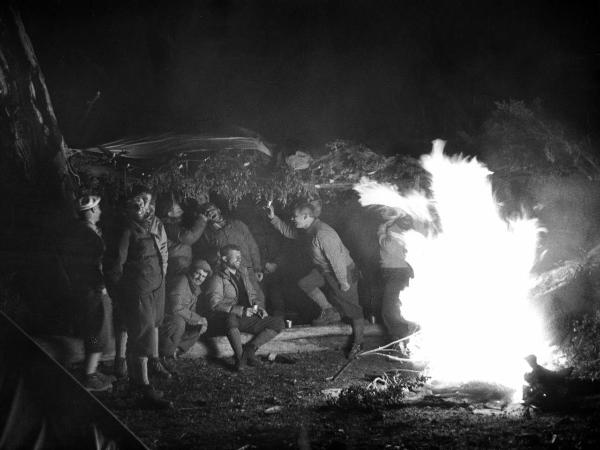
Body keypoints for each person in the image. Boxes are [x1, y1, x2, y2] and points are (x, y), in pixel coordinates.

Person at [267, 202, 365, 358]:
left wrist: (343, 282)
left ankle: (358, 343)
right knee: (305, 283)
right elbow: (290, 232)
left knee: (353, 309)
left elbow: (337, 259)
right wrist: (274, 218)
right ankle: (329, 310)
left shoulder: (323, 234)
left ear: (306, 216)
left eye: (295, 216)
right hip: (325, 270)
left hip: (342, 271)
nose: (292, 219)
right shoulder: (308, 229)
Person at [106, 187, 172, 409]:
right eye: (139, 203)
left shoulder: (152, 226)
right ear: (130, 207)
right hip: (138, 289)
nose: (144, 207)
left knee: (151, 328)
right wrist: (118, 292)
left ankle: (142, 380)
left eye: (147, 203)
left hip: (155, 286)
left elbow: (161, 252)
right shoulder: (127, 231)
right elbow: (116, 265)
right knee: (142, 335)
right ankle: (142, 386)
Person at [61, 195, 114, 391]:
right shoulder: (89, 236)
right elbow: (94, 265)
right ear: (91, 211)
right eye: (98, 208)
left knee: (95, 330)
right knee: (97, 331)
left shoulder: (79, 232)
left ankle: (91, 369)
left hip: (86, 289)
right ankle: (89, 375)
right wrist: (101, 285)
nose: (100, 211)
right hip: (93, 290)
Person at [205, 244, 284, 371]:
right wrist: (240, 310)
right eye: (235, 257)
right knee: (231, 318)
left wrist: (258, 308)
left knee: (278, 323)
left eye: (240, 256)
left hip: (245, 317)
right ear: (225, 259)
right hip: (226, 320)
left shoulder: (243, 274)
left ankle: (250, 349)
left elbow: (253, 295)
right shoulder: (217, 278)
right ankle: (240, 358)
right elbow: (214, 304)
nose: (239, 259)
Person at [195, 203, 265, 303]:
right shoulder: (206, 234)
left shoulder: (238, 224)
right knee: (236, 301)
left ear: (218, 210)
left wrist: (257, 267)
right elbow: (205, 256)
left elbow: (252, 246)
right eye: (207, 213)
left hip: (247, 269)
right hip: (228, 275)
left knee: (258, 298)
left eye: (212, 209)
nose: (210, 213)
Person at [158, 259, 211, 371]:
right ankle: (164, 355)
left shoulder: (195, 288)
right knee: (179, 322)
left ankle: (175, 350)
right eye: (197, 273)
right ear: (192, 271)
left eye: (203, 276)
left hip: (178, 319)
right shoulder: (182, 281)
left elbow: (191, 311)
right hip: (166, 318)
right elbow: (174, 307)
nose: (199, 278)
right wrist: (197, 318)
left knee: (200, 326)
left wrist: (200, 321)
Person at [377, 214, 415, 347]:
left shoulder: (396, 230)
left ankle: (402, 340)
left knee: (390, 309)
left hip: (399, 272)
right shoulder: (393, 227)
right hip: (392, 271)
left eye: (408, 219)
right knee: (393, 307)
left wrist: (381, 232)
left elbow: (389, 247)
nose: (407, 221)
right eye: (405, 218)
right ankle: (402, 341)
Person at [156, 194, 207, 280]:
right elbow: (188, 238)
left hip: (181, 264)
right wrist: (203, 220)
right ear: (169, 213)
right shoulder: (167, 226)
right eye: (175, 205)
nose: (179, 206)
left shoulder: (174, 223)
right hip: (177, 266)